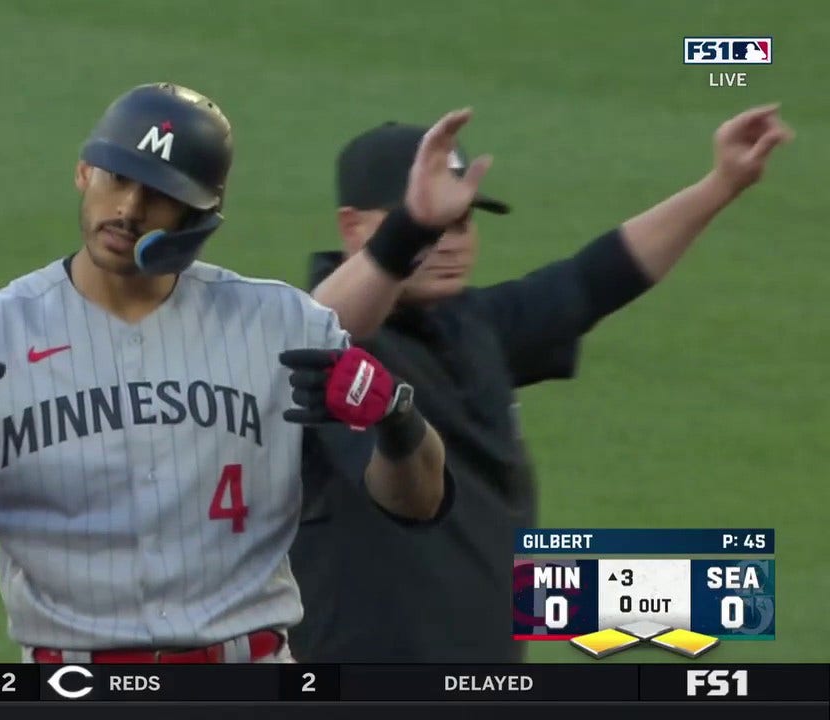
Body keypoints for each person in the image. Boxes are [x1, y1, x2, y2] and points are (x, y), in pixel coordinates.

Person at [0, 82, 449, 664]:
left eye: (160, 194)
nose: (128, 208)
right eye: (117, 179)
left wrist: (396, 416)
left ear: (202, 213)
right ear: (83, 172)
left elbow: (419, 503)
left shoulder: (280, 325)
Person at [288, 105, 793, 663]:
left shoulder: (474, 325)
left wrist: (720, 184)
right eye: (431, 224)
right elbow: (321, 326)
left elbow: (595, 277)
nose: (451, 240)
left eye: (461, 221)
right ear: (353, 227)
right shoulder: (311, 347)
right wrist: (409, 234)